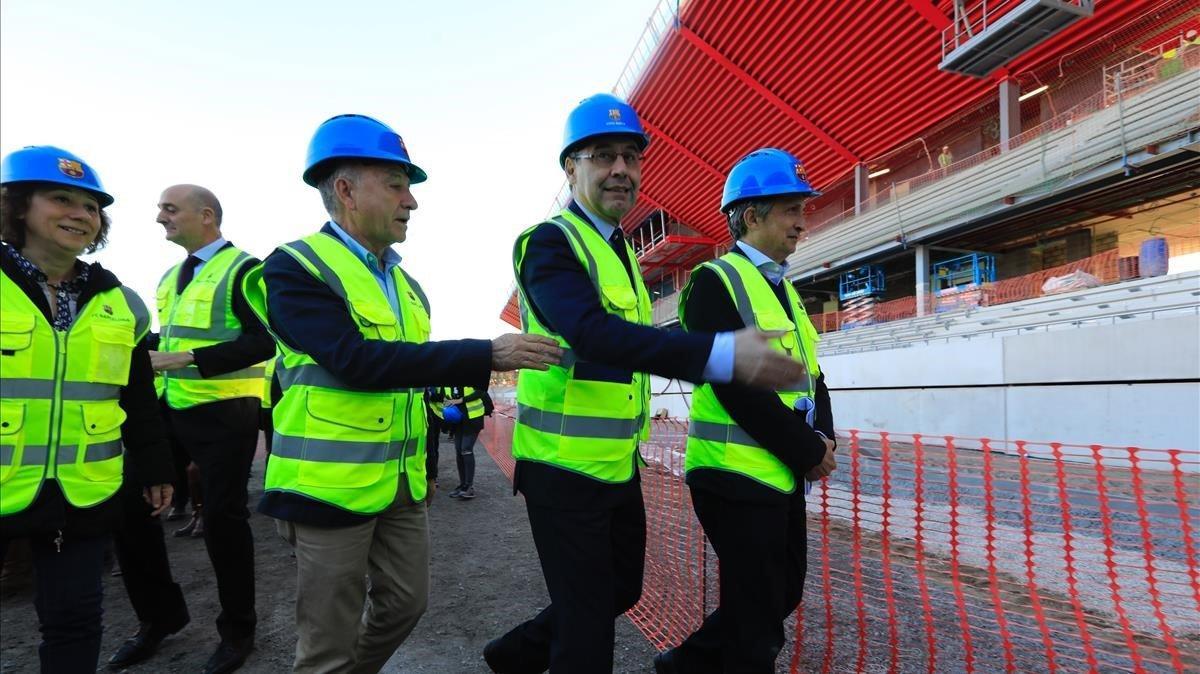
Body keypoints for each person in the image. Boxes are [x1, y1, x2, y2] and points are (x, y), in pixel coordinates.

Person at [484, 94, 811, 674]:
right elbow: (591, 335)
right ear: (570, 168)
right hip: (560, 467)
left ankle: (511, 656)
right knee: (587, 640)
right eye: (603, 156)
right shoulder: (550, 243)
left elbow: (630, 347)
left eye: (631, 158)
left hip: (615, 462)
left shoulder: (620, 251)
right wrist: (721, 353)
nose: (620, 170)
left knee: (621, 593)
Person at [243, 113, 562, 674]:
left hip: (400, 484)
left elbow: (410, 381)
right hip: (327, 488)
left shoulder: (407, 286)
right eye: (396, 184)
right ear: (344, 189)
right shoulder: (294, 268)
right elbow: (355, 362)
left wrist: (428, 464)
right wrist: (485, 352)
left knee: (406, 605)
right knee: (326, 644)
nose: (410, 201)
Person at [655, 148, 838, 674]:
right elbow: (737, 388)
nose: (802, 223)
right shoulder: (714, 282)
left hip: (780, 472)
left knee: (778, 595)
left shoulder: (785, 288)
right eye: (791, 210)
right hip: (732, 473)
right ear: (751, 215)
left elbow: (812, 373)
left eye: (803, 209)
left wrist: (825, 436)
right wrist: (807, 450)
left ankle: (682, 667)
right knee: (759, 619)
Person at [0, 145, 175, 672]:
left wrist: (154, 467)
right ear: (17, 206)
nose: (81, 215)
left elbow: (138, 395)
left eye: (92, 207)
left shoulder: (120, 301)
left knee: (75, 622)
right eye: (62, 199)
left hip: (82, 490)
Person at [146, 183, 276, 673]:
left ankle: (238, 631)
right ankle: (158, 618)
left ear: (207, 216)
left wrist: (182, 358)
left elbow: (264, 342)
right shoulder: (168, 277)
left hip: (226, 413)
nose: (160, 217)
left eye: (169, 208)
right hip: (169, 405)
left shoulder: (245, 269)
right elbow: (170, 335)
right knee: (133, 509)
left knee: (224, 521)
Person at [443, 385, 489, 500]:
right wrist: (446, 400)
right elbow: (445, 394)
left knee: (466, 449)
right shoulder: (448, 376)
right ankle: (463, 485)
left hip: (473, 418)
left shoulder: (470, 372)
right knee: (459, 451)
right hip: (457, 419)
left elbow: (481, 391)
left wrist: (460, 400)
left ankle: (469, 487)